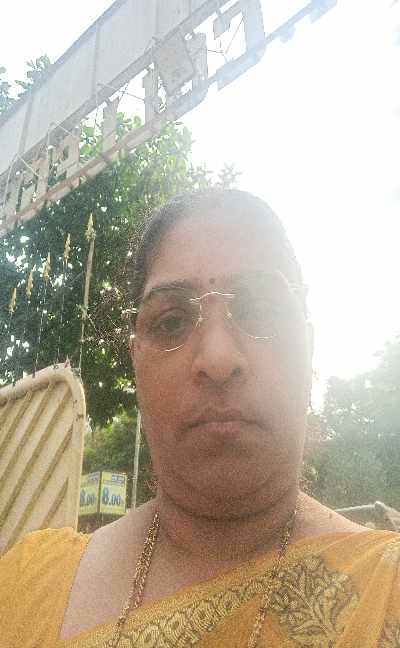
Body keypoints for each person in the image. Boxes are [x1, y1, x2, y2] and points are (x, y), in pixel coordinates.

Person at [0, 188, 399, 648]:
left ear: (307, 349)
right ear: (136, 360)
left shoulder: (385, 592)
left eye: (260, 310)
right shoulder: (29, 585)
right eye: (171, 321)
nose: (217, 358)